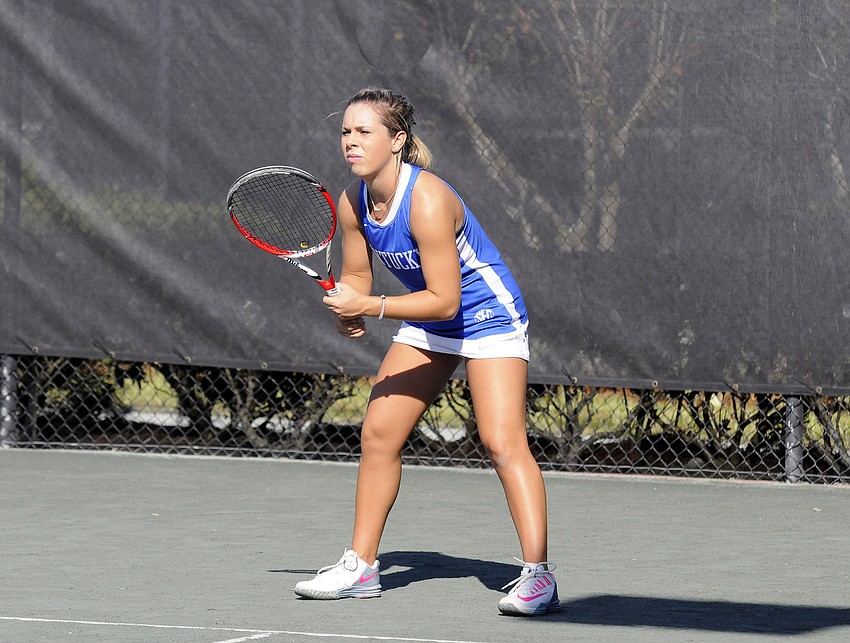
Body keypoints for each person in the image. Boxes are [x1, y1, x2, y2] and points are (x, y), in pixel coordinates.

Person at [293, 88, 558, 616]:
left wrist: (368, 304)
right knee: (378, 432)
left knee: (501, 441)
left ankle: (537, 577)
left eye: (364, 132)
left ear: (397, 140)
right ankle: (362, 567)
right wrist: (350, 309)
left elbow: (445, 299)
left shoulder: (428, 198)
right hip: (427, 315)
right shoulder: (352, 201)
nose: (351, 141)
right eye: (346, 131)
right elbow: (359, 276)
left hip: (487, 315)